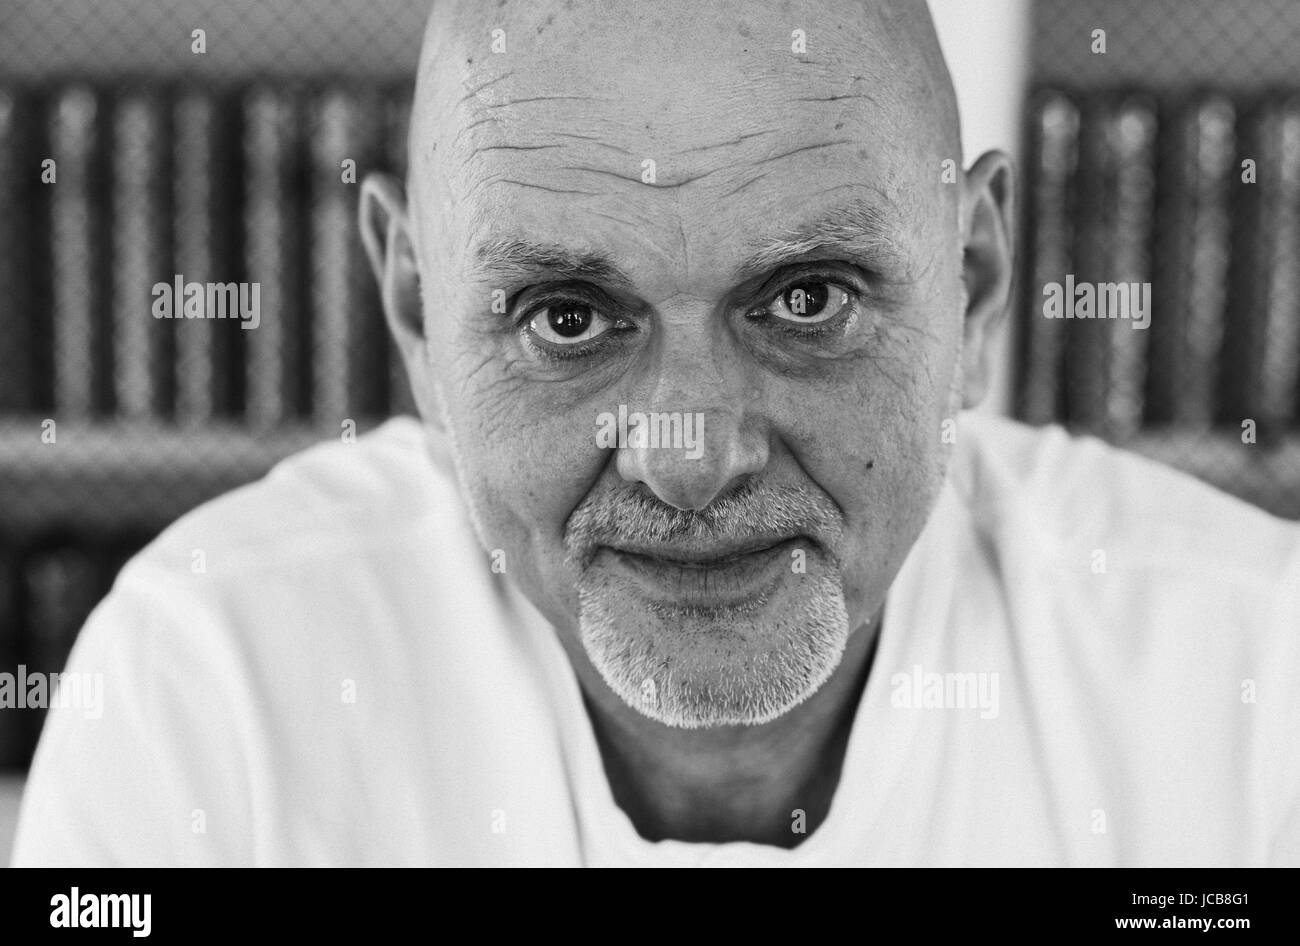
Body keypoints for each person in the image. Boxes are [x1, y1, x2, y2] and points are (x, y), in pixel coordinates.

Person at [12, 0, 1300, 866]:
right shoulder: (207, 687)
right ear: (416, 312)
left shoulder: (1249, 690)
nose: (689, 456)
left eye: (806, 301)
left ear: (970, 286)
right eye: (570, 319)